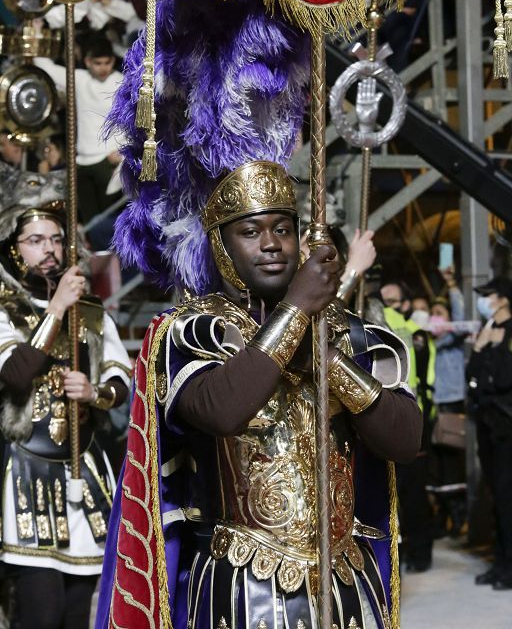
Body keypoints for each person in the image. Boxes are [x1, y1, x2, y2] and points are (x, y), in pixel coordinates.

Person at [97, 160, 422, 629]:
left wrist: (331, 363)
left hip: (348, 586)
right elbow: (221, 409)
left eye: (283, 229)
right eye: (250, 231)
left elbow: (406, 440)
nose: (271, 244)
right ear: (221, 244)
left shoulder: (348, 332)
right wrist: (295, 312)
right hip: (242, 587)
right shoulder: (194, 330)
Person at [0, 173, 132, 628]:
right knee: (40, 614)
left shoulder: (90, 312)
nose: (49, 249)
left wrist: (95, 393)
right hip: (24, 474)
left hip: (84, 474)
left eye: (56, 239)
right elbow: (15, 375)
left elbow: (122, 382)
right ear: (13, 246)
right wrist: (55, 309)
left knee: (80, 613)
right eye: (35, 239)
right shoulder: (4, 309)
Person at [34, 37, 123, 224]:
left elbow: (132, 120)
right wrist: (38, 34)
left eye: (107, 62)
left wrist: (123, 151)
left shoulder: (122, 83)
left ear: (113, 61)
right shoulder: (80, 79)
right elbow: (45, 67)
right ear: (88, 61)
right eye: (98, 63)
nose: (103, 68)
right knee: (91, 223)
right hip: (81, 161)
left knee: (110, 223)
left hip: (108, 161)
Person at [381, 280, 436, 572]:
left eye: (393, 301)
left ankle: (418, 552)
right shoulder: (412, 330)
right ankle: (415, 553)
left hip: (409, 417)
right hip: (403, 415)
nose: (389, 305)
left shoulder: (394, 326)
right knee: (405, 491)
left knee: (410, 491)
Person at [467, 277, 512, 591]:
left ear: (504, 299)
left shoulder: (508, 331)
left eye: (489, 295)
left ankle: (509, 566)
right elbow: (472, 375)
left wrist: (492, 349)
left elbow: (504, 378)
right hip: (486, 421)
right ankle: (500, 563)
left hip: (506, 424)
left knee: (507, 497)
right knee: (496, 495)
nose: (485, 300)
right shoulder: (486, 329)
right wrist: (482, 347)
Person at [429, 268, 467, 538]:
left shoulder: (452, 340)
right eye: (433, 315)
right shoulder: (427, 343)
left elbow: (462, 316)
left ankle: (458, 513)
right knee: (436, 467)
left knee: (453, 462)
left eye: (440, 315)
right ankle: (442, 517)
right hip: (432, 406)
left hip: (451, 404)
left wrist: (451, 284)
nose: (435, 320)